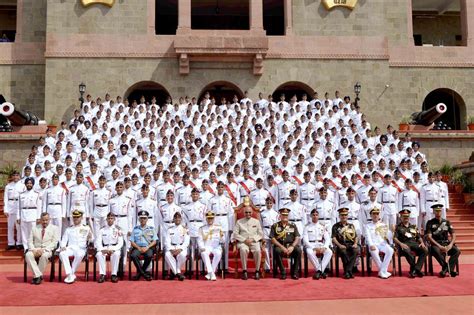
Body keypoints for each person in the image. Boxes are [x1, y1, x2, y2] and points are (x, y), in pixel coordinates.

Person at [232, 197, 263, 280]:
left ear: (252, 212)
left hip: (254, 241)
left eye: (249, 212)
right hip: (243, 242)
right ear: (244, 213)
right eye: (246, 212)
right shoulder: (239, 222)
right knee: (243, 250)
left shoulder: (256, 221)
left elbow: (260, 234)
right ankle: (244, 271)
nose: (248, 214)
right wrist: (244, 240)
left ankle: (257, 271)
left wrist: (253, 240)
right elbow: (235, 234)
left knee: (258, 250)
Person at [426, 204, 460, 277]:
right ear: (433, 212)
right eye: (436, 211)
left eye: (439, 211)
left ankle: (446, 270)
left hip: (446, 243)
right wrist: (439, 246)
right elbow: (429, 237)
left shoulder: (446, 222)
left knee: (457, 251)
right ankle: (449, 269)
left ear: (441, 212)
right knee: (435, 250)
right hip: (436, 244)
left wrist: (450, 245)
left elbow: (453, 234)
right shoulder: (430, 222)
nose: (438, 212)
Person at [25, 212, 59, 285]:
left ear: (49, 219)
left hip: (47, 250)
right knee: (28, 255)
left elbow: (54, 242)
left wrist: (44, 250)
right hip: (35, 249)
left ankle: (36, 277)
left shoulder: (55, 228)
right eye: (43, 220)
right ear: (40, 220)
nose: (45, 222)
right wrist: (33, 249)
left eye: (46, 220)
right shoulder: (34, 228)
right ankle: (38, 275)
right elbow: (29, 241)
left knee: (44, 256)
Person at [59, 210, 93, 284]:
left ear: (81, 218)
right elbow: (64, 240)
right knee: (62, 253)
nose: (76, 219)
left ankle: (71, 274)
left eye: (77, 217)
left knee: (80, 254)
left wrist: (90, 238)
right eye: (74, 217)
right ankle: (69, 274)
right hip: (71, 248)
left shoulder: (86, 228)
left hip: (81, 248)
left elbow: (92, 239)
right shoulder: (69, 229)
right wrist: (63, 246)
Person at [394, 209, 428, 278]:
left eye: (407, 217)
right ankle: (416, 270)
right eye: (404, 217)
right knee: (407, 251)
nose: (406, 218)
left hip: (414, 244)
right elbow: (395, 238)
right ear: (401, 217)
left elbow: (419, 237)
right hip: (404, 244)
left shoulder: (413, 227)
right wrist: (401, 244)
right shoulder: (398, 227)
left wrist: (422, 243)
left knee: (425, 250)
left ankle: (415, 270)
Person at [270, 208, 302, 280]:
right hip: (280, 246)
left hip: (291, 246)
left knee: (298, 250)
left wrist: (293, 246)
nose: (285, 216)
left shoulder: (292, 225)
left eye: (286, 215)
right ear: (280, 216)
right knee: (277, 251)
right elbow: (272, 239)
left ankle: (294, 272)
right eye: (283, 215)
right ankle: (283, 272)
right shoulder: (275, 226)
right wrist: (282, 247)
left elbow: (297, 237)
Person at [364, 207, 394, 279]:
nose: (375, 215)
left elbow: (389, 237)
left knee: (390, 250)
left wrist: (392, 231)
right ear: (370, 215)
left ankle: (382, 271)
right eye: (373, 214)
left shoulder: (383, 225)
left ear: (379, 215)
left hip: (382, 244)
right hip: (374, 244)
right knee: (374, 252)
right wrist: (371, 245)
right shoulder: (367, 226)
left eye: (377, 214)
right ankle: (383, 271)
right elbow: (368, 237)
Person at [303, 208, 332, 280]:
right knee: (309, 252)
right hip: (311, 245)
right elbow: (305, 240)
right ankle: (321, 271)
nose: (315, 216)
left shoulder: (322, 226)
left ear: (318, 216)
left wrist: (325, 247)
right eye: (313, 215)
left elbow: (327, 238)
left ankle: (319, 271)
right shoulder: (307, 227)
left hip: (320, 244)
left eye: (316, 215)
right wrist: (313, 248)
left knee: (329, 252)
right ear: (311, 216)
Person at [95, 212, 124, 283]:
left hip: (114, 248)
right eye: (109, 218)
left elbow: (121, 243)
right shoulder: (102, 230)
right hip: (105, 247)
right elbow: (98, 242)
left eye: (112, 218)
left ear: (114, 219)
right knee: (99, 254)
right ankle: (102, 274)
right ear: (106, 220)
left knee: (116, 254)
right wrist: (102, 250)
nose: (110, 220)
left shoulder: (118, 229)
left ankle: (114, 274)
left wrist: (113, 249)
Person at [332, 207, 360, 279]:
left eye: (345, 215)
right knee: (343, 252)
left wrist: (355, 243)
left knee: (356, 250)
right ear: (339, 216)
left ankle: (347, 271)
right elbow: (334, 238)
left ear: (347, 216)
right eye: (342, 215)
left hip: (351, 244)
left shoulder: (351, 226)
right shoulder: (335, 226)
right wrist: (339, 245)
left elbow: (356, 237)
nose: (344, 217)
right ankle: (349, 271)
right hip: (341, 245)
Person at [129, 210, 157, 281]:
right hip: (137, 247)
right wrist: (138, 247)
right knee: (133, 255)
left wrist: (147, 247)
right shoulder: (135, 229)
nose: (143, 220)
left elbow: (154, 241)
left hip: (148, 247)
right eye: (141, 218)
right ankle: (144, 274)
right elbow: (132, 241)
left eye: (144, 218)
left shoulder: (151, 229)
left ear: (147, 219)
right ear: (139, 219)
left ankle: (139, 274)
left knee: (149, 255)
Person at [197, 211, 225, 281]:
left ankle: (210, 273)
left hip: (216, 247)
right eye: (208, 218)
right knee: (203, 253)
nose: (210, 220)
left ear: (214, 219)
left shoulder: (218, 228)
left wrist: (222, 236)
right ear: (206, 219)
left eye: (211, 218)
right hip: (207, 246)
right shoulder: (202, 228)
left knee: (218, 253)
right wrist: (202, 247)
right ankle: (211, 273)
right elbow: (199, 240)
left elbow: (223, 241)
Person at [164, 212, 190, 281]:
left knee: (183, 255)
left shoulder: (184, 229)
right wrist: (170, 249)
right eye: (175, 218)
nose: (177, 219)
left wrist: (180, 249)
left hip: (181, 247)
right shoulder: (170, 229)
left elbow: (187, 242)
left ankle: (175, 272)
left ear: (181, 219)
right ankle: (178, 273)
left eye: (179, 218)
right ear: (173, 219)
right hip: (172, 247)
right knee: (167, 254)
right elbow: (167, 241)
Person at [3, 170, 25, 250]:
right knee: (10, 226)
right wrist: (5, 209)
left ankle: (19, 243)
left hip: (18, 207)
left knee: (18, 226)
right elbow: (5, 198)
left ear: (19, 176)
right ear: (12, 177)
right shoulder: (8, 186)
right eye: (14, 175)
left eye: (17, 175)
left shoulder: (23, 186)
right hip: (10, 206)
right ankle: (11, 243)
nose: (15, 177)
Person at [18, 178, 42, 250]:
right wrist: (18, 217)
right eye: (27, 183)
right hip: (23, 214)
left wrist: (38, 217)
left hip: (33, 215)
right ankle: (26, 249)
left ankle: (33, 248)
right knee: (24, 233)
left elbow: (39, 206)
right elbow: (18, 207)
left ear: (33, 184)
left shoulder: (36, 194)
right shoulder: (21, 194)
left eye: (30, 183)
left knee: (33, 233)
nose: (29, 184)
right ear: (25, 184)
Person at [259, 197, 279, 272]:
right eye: (267, 203)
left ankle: (274, 266)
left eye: (270, 203)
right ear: (265, 203)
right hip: (265, 231)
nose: (269, 204)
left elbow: (277, 225)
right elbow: (260, 225)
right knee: (266, 250)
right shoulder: (262, 213)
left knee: (274, 250)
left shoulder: (276, 213)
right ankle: (267, 267)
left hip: (273, 232)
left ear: (273, 204)